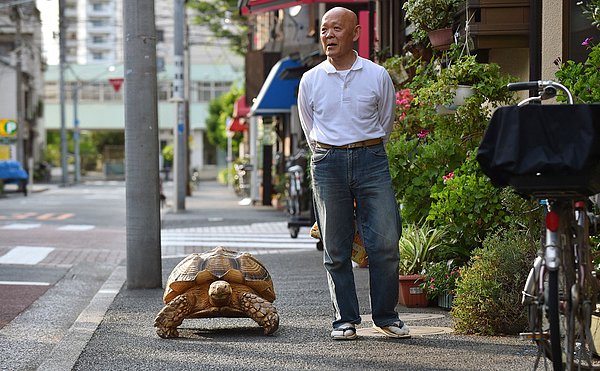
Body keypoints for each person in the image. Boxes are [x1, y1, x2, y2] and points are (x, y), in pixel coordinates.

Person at [297, 7, 409, 340]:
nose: (328, 35)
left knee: (386, 241)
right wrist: (328, 151)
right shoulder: (311, 79)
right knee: (335, 245)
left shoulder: (377, 75)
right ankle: (344, 319)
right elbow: (309, 127)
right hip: (327, 161)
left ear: (356, 33)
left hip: (371, 158)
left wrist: (366, 147)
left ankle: (386, 316)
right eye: (324, 30)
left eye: (336, 29)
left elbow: (385, 122)